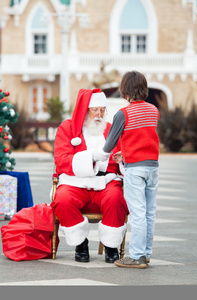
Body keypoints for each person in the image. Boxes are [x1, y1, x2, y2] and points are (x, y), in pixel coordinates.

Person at [51, 88, 128, 263]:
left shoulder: (110, 129)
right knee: (62, 200)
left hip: (105, 181)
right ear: (85, 109)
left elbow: (123, 155)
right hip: (74, 182)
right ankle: (81, 243)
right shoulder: (67, 128)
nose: (99, 114)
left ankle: (111, 245)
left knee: (116, 198)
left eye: (102, 110)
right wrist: (91, 157)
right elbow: (61, 160)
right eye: (95, 110)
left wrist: (122, 159)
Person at [103, 71, 160, 269]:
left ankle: (136, 256)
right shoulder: (154, 110)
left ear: (125, 90)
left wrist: (102, 153)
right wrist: (126, 154)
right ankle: (146, 253)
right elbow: (143, 139)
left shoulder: (122, 113)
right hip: (152, 167)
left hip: (135, 170)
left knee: (137, 213)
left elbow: (109, 144)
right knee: (149, 213)